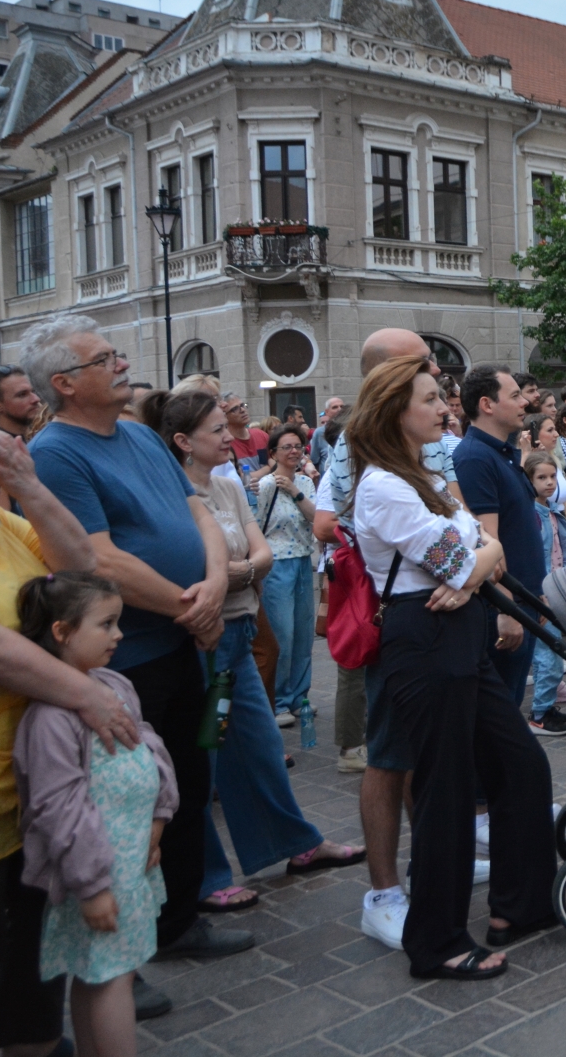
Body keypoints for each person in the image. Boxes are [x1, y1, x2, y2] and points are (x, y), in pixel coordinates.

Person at [20, 317, 250, 981]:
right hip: (125, 658)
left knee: (180, 783)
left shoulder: (142, 437)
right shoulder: (56, 453)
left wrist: (209, 587)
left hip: (181, 642)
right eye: (105, 359)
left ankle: (175, 922)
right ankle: (113, 962)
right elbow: (98, 558)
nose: (123, 365)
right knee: (116, 805)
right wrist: (191, 606)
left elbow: (198, 511)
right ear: (64, 383)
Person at [0, 396, 149, 1049]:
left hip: (45, 778)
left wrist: (28, 485)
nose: (7, 452)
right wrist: (89, 698)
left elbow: (80, 571)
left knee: (38, 956)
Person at [348, 353, 555, 981]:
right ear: (394, 412)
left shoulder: (419, 476)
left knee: (520, 762)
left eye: (443, 398)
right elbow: (467, 559)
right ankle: (435, 941)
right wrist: (476, 562)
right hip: (427, 640)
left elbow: (472, 554)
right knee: (445, 792)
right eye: (432, 400)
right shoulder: (383, 485)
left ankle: (517, 906)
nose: (446, 408)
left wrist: (474, 563)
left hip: (457, 633)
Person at [140, 390, 362, 915]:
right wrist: (239, 573)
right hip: (205, 642)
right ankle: (205, 875)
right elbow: (209, 566)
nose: (229, 437)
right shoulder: (168, 494)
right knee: (204, 758)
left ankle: (295, 844)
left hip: (238, 631)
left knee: (261, 748)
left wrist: (232, 574)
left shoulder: (228, 485)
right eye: (216, 430)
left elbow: (258, 553)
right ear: (181, 441)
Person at [310, 327, 462, 944]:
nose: (435, 378)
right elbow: (327, 519)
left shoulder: (427, 439)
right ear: (386, 382)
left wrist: (463, 551)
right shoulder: (360, 451)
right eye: (419, 367)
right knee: (390, 751)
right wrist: (386, 553)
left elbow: (464, 521)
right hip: (400, 612)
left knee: (423, 752)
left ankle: (431, 860)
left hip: (444, 605)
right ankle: (383, 890)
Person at [11, 573, 173, 1057]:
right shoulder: (50, 718)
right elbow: (59, 805)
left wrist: (158, 818)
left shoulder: (113, 683)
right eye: (106, 624)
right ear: (61, 632)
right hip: (99, 872)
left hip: (130, 863)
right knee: (109, 979)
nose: (119, 635)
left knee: (102, 972)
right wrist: (92, 884)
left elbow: (150, 746)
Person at [451, 365, 550, 712]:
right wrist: (505, 609)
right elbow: (486, 539)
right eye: (514, 396)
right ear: (487, 404)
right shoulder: (475, 457)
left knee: (508, 706)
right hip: (502, 607)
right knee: (497, 713)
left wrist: (536, 594)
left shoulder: (500, 453)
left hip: (522, 598)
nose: (525, 402)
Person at [254, 425, 317, 724]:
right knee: (283, 634)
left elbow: (317, 518)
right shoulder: (266, 485)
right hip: (277, 563)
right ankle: (278, 700)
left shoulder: (305, 481)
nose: (294, 451)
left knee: (304, 635)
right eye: (287, 447)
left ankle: (299, 696)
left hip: (304, 559)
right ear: (273, 454)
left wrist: (296, 491)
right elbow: (256, 522)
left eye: (298, 446)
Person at [219, 394, 268, 473]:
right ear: (224, 417)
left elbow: (277, 465)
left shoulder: (261, 435)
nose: (242, 410)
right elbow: (240, 478)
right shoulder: (224, 444)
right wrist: (268, 468)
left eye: (242, 405)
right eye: (235, 409)